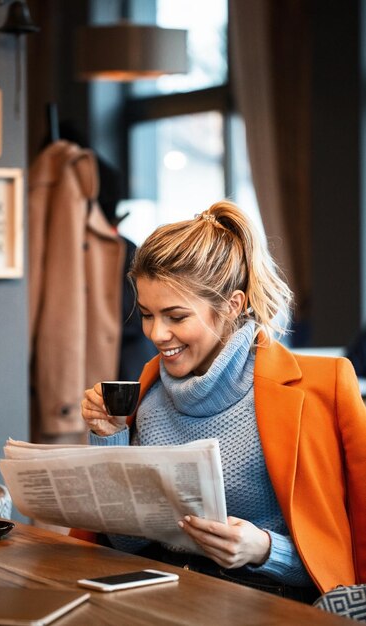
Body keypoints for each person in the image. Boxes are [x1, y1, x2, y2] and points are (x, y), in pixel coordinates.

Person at [80, 200, 366, 604]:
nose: (157, 334)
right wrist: (109, 436)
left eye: (176, 317)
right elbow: (126, 544)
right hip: (160, 594)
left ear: (231, 305)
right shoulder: (145, 393)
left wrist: (264, 549)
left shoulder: (324, 387)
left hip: (272, 600)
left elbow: (346, 555)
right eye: (146, 314)